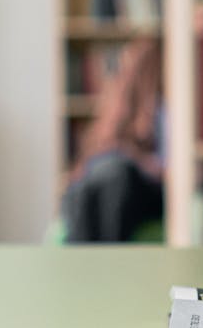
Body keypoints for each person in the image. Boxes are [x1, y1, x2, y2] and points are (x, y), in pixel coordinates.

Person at [59, 38, 165, 242]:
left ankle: (95, 261)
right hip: (113, 176)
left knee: (112, 177)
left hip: (142, 185)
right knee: (94, 182)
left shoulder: (169, 113)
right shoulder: (129, 113)